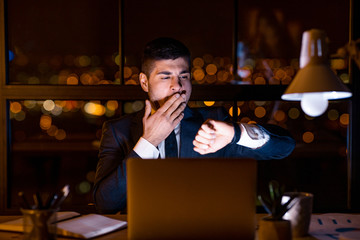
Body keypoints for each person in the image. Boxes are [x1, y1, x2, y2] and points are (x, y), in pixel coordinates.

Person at [93, 37, 296, 213]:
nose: (178, 86)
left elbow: (285, 146)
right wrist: (148, 142)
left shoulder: (213, 122)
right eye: (165, 77)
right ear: (145, 82)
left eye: (184, 76)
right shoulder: (118, 130)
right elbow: (105, 203)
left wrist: (235, 133)